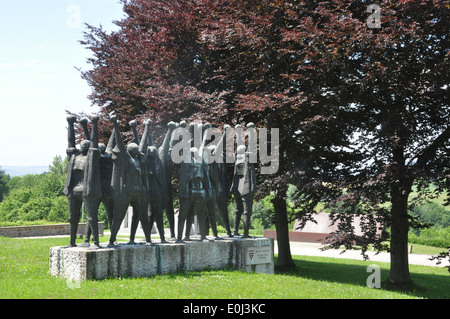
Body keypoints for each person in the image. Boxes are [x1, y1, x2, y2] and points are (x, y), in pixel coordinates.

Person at [107, 115, 152, 247]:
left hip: (139, 191)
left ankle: (148, 239)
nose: (138, 150)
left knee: (143, 216)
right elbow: (120, 145)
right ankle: (112, 239)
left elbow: (142, 144)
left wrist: (146, 128)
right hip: (127, 191)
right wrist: (115, 125)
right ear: (130, 150)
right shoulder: (125, 160)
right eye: (135, 149)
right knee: (119, 215)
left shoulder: (140, 160)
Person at [230, 125, 257, 238]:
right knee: (247, 211)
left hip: (236, 187)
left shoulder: (237, 158)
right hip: (246, 187)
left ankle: (235, 231)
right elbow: (250, 146)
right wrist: (251, 131)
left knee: (237, 210)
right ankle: (246, 233)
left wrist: (238, 131)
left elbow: (240, 146)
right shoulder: (247, 158)